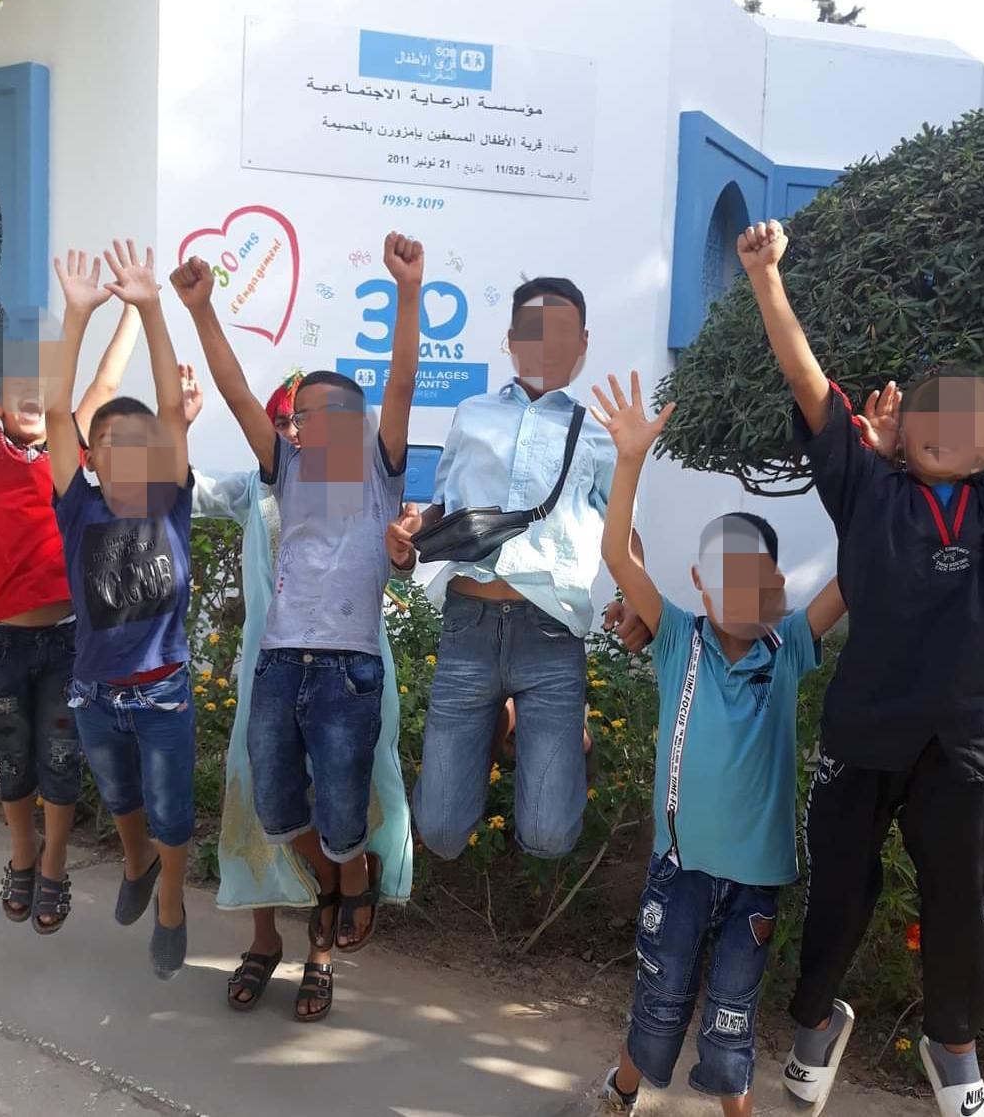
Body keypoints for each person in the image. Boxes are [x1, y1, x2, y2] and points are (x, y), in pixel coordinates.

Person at [739, 219, 984, 1117]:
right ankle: (816, 1023)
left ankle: (954, 1049)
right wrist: (767, 278)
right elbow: (807, 382)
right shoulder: (866, 487)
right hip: (862, 734)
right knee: (837, 891)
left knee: (959, 904)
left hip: (964, 745)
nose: (942, 427)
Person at [171, 231, 421, 1021]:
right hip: (279, 665)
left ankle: (351, 878)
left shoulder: (377, 473)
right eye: (298, 415)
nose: (298, 422)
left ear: (351, 421)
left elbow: (403, 380)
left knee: (345, 809)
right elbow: (238, 392)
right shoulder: (286, 471)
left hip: (349, 670)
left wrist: (408, 290)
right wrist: (202, 309)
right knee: (278, 810)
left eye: (312, 412)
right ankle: (342, 881)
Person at [590, 371, 844, 1117]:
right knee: (660, 998)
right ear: (702, 583)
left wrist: (878, 472)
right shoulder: (677, 638)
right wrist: (631, 459)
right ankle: (621, 1091)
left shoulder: (791, 645)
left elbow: (856, 573)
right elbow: (619, 557)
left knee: (732, 1017)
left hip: (755, 882)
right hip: (681, 870)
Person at [389, 277, 650, 862]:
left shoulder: (600, 433)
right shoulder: (471, 414)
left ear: (583, 343)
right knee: (441, 833)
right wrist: (411, 533)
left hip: (550, 635)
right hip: (468, 627)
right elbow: (446, 509)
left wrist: (637, 596)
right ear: (510, 338)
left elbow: (626, 529)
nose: (547, 344)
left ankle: (559, 734)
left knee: (549, 838)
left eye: (562, 332)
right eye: (534, 331)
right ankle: (502, 720)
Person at [0, 222, 139, 934]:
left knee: (60, 758)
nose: (30, 393)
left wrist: (134, 311)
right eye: (17, 386)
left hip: (65, 641)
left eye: (41, 386)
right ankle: (22, 855)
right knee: (12, 761)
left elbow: (106, 380)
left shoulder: (67, 450)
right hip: (1, 641)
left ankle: (52, 864)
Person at [47, 241, 195, 980]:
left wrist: (152, 307)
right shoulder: (78, 507)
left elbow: (169, 408)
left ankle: (169, 902)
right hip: (96, 691)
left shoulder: (170, 499)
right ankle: (137, 864)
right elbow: (56, 412)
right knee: (119, 797)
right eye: (109, 441)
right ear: (91, 458)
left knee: (171, 809)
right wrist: (77, 316)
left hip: (162, 687)